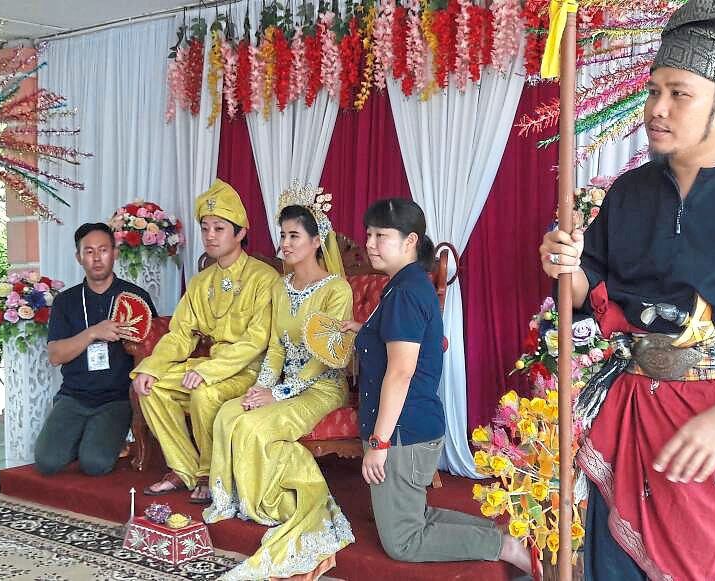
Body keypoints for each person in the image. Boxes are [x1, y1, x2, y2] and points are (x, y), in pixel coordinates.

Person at [538, 1, 715, 578]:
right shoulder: (630, 191)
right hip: (636, 415)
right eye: (652, 91)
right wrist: (562, 262)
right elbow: (588, 291)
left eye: (678, 93)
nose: (656, 109)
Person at [346, 198, 532, 573]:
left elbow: (401, 372)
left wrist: (379, 443)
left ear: (410, 240)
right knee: (416, 515)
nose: (369, 243)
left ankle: (503, 546)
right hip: (410, 429)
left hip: (401, 433)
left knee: (404, 541)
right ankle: (502, 537)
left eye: (381, 235)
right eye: (369, 234)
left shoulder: (405, 293)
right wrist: (362, 331)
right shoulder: (406, 286)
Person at [204, 190, 355, 580]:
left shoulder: (336, 290)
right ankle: (232, 499)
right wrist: (262, 389)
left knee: (255, 426)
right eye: (283, 235)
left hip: (322, 387)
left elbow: (325, 357)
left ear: (316, 242)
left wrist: (279, 394)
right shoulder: (279, 285)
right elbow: (274, 347)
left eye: (294, 237)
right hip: (283, 383)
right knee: (228, 413)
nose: (285, 244)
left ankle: (266, 503)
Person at [131, 179, 278, 504]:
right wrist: (152, 367)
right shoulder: (201, 282)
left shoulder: (263, 278)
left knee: (204, 392)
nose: (210, 235)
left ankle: (212, 475)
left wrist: (210, 371)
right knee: (148, 387)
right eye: (206, 227)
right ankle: (183, 469)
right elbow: (180, 334)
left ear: (240, 233)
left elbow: (256, 341)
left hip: (247, 372)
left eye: (219, 228)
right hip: (210, 365)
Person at [33, 222, 156, 477]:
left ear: (115, 253)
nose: (96, 258)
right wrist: (92, 333)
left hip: (117, 399)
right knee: (47, 462)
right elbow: (55, 356)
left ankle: (100, 439)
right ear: (79, 257)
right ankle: (88, 435)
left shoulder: (134, 297)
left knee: (95, 464)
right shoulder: (66, 301)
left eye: (103, 250)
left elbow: (154, 350)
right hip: (74, 396)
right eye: (89, 251)